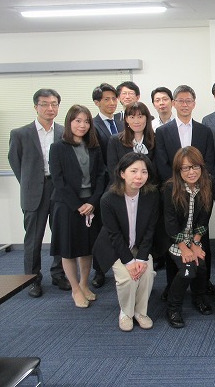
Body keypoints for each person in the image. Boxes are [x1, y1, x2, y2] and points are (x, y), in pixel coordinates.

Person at [8, 88, 70, 297]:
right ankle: (32, 279)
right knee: (33, 238)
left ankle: (59, 274)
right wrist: (29, 183)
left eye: (54, 104)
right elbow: (15, 162)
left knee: (61, 234)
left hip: (59, 189)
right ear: (36, 107)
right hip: (34, 190)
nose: (49, 108)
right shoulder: (20, 134)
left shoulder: (64, 132)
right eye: (44, 104)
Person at [154, 84, 215, 294]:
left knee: (201, 237)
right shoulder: (163, 131)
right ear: (174, 103)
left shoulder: (204, 131)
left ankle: (203, 285)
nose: (184, 104)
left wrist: (199, 183)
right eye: (180, 101)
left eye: (188, 101)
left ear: (194, 104)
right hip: (174, 192)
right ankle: (173, 286)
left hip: (200, 190)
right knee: (174, 235)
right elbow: (162, 162)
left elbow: (209, 161)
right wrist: (178, 185)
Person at [93, 153, 159, 331]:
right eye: (133, 171)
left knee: (147, 273)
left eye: (144, 172)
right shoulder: (108, 199)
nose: (139, 176)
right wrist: (129, 262)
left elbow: (150, 230)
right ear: (122, 173)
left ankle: (140, 312)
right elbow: (114, 235)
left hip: (140, 245)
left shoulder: (152, 196)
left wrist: (141, 258)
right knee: (128, 278)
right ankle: (126, 312)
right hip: (115, 247)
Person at [49, 104, 106, 308]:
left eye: (86, 121)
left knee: (87, 248)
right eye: (78, 121)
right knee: (68, 249)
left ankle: (84, 284)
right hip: (67, 206)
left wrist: (92, 202)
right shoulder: (58, 147)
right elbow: (58, 180)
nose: (82, 125)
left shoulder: (94, 146)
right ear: (69, 122)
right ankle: (75, 288)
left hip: (91, 204)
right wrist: (77, 205)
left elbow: (101, 175)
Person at [163, 146, 214, 328]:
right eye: (185, 168)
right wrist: (185, 248)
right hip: (174, 239)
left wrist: (195, 243)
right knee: (188, 270)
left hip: (194, 238)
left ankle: (198, 298)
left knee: (201, 265)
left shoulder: (207, 184)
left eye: (195, 167)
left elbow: (204, 217)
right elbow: (170, 223)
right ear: (178, 170)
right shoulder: (170, 188)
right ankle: (173, 308)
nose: (191, 172)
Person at [90, 82, 124, 287]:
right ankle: (99, 271)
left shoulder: (122, 122)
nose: (112, 102)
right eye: (106, 99)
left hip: (123, 184)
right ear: (97, 102)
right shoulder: (92, 125)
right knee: (101, 231)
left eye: (114, 98)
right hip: (103, 184)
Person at [107, 102, 155, 181]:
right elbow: (113, 170)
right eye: (132, 117)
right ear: (126, 119)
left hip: (150, 185)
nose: (136, 121)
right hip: (122, 185)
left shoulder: (155, 139)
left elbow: (156, 169)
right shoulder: (115, 140)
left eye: (140, 117)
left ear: (147, 118)